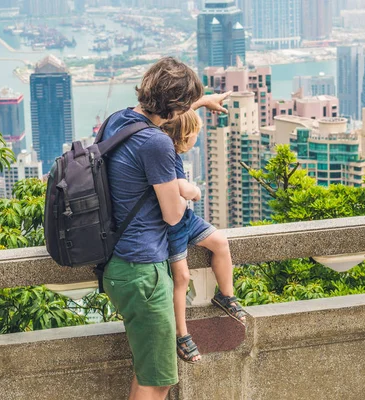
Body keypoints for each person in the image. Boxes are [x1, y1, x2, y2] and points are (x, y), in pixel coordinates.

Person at [99, 57, 231, 400]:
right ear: (176, 107)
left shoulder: (119, 120)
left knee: (150, 371)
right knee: (157, 379)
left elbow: (163, 118)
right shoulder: (157, 144)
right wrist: (190, 190)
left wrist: (200, 102)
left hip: (117, 265)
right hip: (144, 271)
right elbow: (173, 215)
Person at [160, 110, 246, 364]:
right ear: (186, 135)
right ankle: (181, 333)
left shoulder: (172, 150)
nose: (198, 136)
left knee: (220, 242)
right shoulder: (166, 154)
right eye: (196, 132)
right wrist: (196, 190)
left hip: (186, 219)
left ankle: (226, 296)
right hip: (171, 225)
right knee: (182, 277)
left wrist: (203, 101)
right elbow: (182, 188)